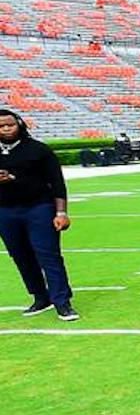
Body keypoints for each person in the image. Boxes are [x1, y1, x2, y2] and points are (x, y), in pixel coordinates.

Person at [0, 109, 77, 321]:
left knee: (48, 254)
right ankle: (40, 297)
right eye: (1, 126)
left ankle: (62, 301)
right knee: (21, 256)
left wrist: (61, 212)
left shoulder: (38, 150)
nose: (6, 129)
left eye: (10, 124)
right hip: (5, 211)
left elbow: (57, 183)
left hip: (39, 207)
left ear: (20, 125)